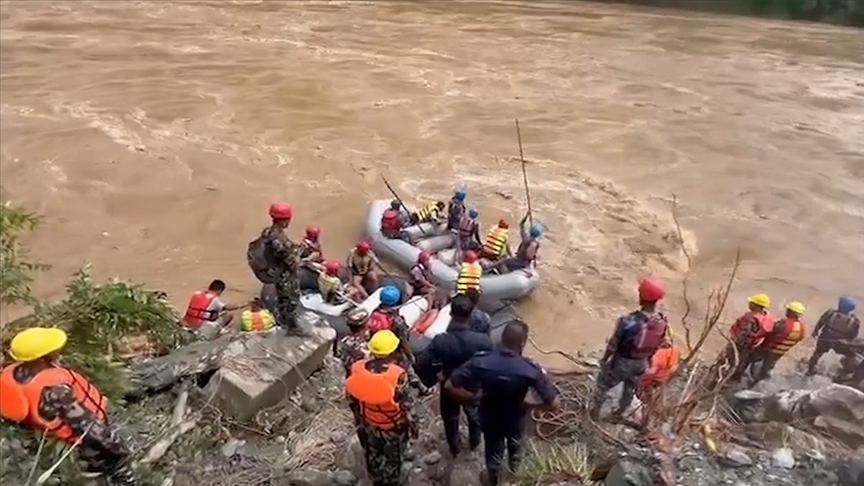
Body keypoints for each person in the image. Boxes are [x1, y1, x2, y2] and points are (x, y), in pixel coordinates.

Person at [0, 328, 140, 486]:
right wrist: (118, 449)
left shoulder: (9, 374)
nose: (58, 353)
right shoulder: (55, 392)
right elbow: (90, 429)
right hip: (80, 445)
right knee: (119, 465)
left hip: (45, 434)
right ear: (41, 358)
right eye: (54, 351)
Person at [445, 321, 558, 485]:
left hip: (489, 417)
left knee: (492, 450)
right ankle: (514, 477)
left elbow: (449, 385)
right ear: (522, 344)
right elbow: (554, 404)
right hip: (515, 418)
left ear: (501, 340)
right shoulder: (530, 369)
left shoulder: (481, 362)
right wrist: (530, 405)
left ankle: (493, 479)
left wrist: (471, 398)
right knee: (516, 447)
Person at [415, 294, 494, 457]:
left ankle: (455, 448)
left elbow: (421, 363)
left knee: (450, 418)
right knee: (474, 415)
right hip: (473, 385)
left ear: (450, 313)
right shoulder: (483, 341)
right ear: (471, 315)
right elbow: (490, 364)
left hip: (449, 384)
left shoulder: (441, 341)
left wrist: (435, 376)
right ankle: (474, 442)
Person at [589, 277, 668, 421]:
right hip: (642, 363)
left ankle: (595, 413)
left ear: (641, 297)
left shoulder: (627, 321)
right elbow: (658, 344)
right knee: (630, 389)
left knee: (603, 385)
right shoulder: (661, 322)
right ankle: (619, 413)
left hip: (622, 363)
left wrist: (604, 360)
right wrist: (648, 360)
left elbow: (613, 345)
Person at [345, 330, 417, 486]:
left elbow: (352, 398)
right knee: (393, 457)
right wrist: (414, 426)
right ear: (392, 351)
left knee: (374, 452)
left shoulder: (357, 368)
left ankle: (376, 478)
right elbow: (407, 405)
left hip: (369, 422)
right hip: (393, 427)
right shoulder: (397, 375)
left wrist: (359, 420)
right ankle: (390, 481)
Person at [246, 202, 306, 335]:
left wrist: (297, 248)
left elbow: (286, 250)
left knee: (283, 300)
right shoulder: (279, 240)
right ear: (285, 220)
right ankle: (291, 328)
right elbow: (292, 261)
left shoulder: (268, 232)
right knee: (290, 300)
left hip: (277, 271)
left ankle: (284, 322)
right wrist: (304, 254)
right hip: (284, 275)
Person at [745, 302, 807, 386]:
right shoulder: (801, 327)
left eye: (788, 310)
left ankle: (751, 382)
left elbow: (770, 331)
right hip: (779, 352)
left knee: (756, 363)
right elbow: (800, 338)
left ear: (791, 312)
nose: (786, 311)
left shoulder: (784, 323)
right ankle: (761, 384)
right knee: (768, 367)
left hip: (767, 348)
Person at [722, 294, 774, 382]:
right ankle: (736, 377)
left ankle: (727, 378)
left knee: (730, 360)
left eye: (752, 302)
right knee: (743, 362)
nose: (749, 303)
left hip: (741, 345)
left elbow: (743, 333)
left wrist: (733, 342)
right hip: (753, 345)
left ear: (757, 306)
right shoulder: (767, 318)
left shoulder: (751, 319)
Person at [807, 296, 860, 376]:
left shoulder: (830, 313)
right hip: (840, 343)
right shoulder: (854, 321)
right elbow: (853, 336)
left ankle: (810, 369)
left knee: (818, 353)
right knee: (851, 355)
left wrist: (815, 332)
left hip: (826, 339)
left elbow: (820, 322)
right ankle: (846, 371)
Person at [182, 279, 246, 337]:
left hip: (187, 324)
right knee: (228, 315)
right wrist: (242, 305)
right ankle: (218, 333)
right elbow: (227, 307)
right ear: (219, 290)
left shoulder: (196, 294)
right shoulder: (214, 300)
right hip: (201, 328)